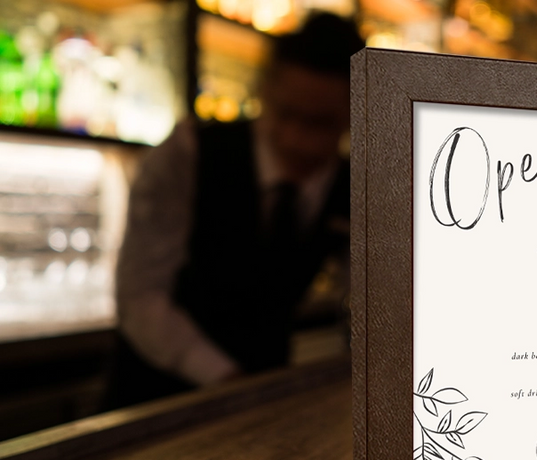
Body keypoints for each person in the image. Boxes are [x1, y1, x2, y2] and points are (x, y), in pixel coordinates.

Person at [104, 13, 364, 410]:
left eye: (322, 124)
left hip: (264, 403)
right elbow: (141, 297)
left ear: (356, 114)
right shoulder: (188, 153)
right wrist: (225, 377)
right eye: (286, 114)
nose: (298, 139)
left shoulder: (356, 187)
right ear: (265, 89)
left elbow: (370, 297)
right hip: (154, 401)